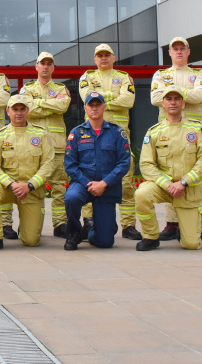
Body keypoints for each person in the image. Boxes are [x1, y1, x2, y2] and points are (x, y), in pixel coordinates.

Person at [150, 36, 202, 242]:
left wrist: (171, 92)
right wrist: (187, 93)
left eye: (182, 49)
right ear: (169, 52)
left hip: (193, 133)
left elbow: (201, 96)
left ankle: (199, 224)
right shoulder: (161, 74)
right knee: (170, 172)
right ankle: (172, 223)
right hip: (168, 131)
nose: (178, 52)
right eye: (174, 49)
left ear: (188, 52)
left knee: (195, 178)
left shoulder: (198, 74)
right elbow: (154, 99)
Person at [135, 88, 202, 251]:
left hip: (188, 189)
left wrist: (183, 183)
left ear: (183, 103)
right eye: (168, 98)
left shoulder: (198, 130)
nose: (173, 102)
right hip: (163, 187)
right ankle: (151, 236)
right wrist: (167, 184)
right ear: (163, 104)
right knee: (141, 194)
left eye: (177, 99)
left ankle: (186, 232)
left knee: (191, 244)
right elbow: (146, 165)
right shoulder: (154, 132)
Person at [78, 44, 141, 240]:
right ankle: (89, 220)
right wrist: (114, 97)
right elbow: (87, 99)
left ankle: (128, 224)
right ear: (95, 59)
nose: (103, 58)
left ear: (114, 58)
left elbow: (128, 101)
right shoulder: (86, 77)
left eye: (107, 55)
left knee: (126, 182)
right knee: (90, 176)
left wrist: (101, 100)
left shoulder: (123, 77)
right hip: (93, 134)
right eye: (100, 56)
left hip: (119, 136)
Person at [0, 95, 55, 251]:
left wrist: (30, 185)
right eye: (15, 109)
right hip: (8, 188)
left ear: (28, 111)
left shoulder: (41, 134)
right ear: (8, 111)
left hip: (31, 190)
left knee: (31, 240)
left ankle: (27, 224)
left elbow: (48, 164)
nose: (19, 113)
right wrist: (12, 184)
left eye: (22, 109)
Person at [62, 93, 132, 250]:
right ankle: (74, 232)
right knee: (71, 198)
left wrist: (104, 184)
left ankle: (94, 230)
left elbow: (124, 162)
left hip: (107, 186)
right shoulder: (77, 133)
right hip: (83, 184)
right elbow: (70, 165)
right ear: (85, 108)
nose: (94, 108)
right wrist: (88, 183)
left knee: (105, 242)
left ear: (104, 107)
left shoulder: (117, 132)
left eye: (98, 105)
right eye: (91, 105)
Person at [19, 52, 70, 238]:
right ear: (37, 66)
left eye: (49, 63)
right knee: (32, 186)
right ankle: (28, 223)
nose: (46, 66)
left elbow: (63, 106)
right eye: (43, 63)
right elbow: (26, 109)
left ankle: (60, 224)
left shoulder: (61, 88)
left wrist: (37, 104)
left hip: (56, 145)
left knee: (58, 186)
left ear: (53, 67)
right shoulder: (27, 88)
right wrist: (50, 104)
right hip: (33, 146)